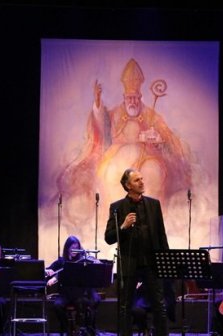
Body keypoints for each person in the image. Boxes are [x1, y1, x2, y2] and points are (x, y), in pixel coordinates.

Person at [56, 58, 194, 227]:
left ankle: (150, 221)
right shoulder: (115, 113)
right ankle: (117, 220)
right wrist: (98, 105)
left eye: (135, 98)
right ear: (124, 98)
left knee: (154, 172)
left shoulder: (150, 114)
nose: (133, 101)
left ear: (140, 97)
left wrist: (157, 138)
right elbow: (101, 125)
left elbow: (165, 136)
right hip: (116, 156)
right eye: (130, 98)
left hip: (148, 157)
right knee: (110, 173)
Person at [104, 168, 172, 336]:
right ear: (127, 185)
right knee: (125, 308)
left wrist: (166, 262)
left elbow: (161, 235)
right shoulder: (117, 207)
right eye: (137, 180)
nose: (142, 182)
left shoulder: (153, 204)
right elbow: (109, 237)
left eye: (142, 179)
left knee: (159, 306)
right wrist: (123, 226)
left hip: (151, 263)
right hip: (129, 264)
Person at [45, 235, 101, 336]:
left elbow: (95, 267)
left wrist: (97, 263)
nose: (74, 250)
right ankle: (68, 328)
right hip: (65, 294)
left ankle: (85, 329)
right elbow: (47, 270)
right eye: (72, 248)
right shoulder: (61, 261)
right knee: (57, 305)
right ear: (67, 248)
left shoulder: (83, 260)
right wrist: (49, 272)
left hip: (79, 293)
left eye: (77, 248)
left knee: (86, 302)